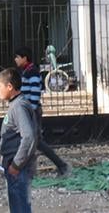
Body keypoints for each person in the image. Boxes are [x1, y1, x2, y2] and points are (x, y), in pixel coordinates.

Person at [14, 47, 70, 177]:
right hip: (30, 110)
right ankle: (31, 170)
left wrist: (30, 111)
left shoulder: (31, 72)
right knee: (33, 141)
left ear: (24, 58)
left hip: (32, 111)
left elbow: (35, 94)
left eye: (17, 57)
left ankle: (62, 166)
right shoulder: (27, 71)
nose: (15, 60)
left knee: (33, 141)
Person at [0, 67, 38, 213]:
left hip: (19, 168)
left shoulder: (19, 106)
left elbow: (29, 137)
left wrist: (16, 164)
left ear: (9, 86)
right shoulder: (15, 105)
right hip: (15, 167)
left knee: (20, 208)